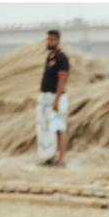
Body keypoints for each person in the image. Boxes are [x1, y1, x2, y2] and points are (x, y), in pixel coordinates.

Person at [37, 29, 70, 167]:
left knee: (59, 127)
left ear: (57, 40)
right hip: (46, 98)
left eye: (51, 40)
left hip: (57, 98)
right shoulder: (50, 57)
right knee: (47, 128)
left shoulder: (61, 58)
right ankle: (50, 155)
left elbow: (62, 78)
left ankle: (61, 158)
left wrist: (56, 99)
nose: (49, 42)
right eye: (48, 40)